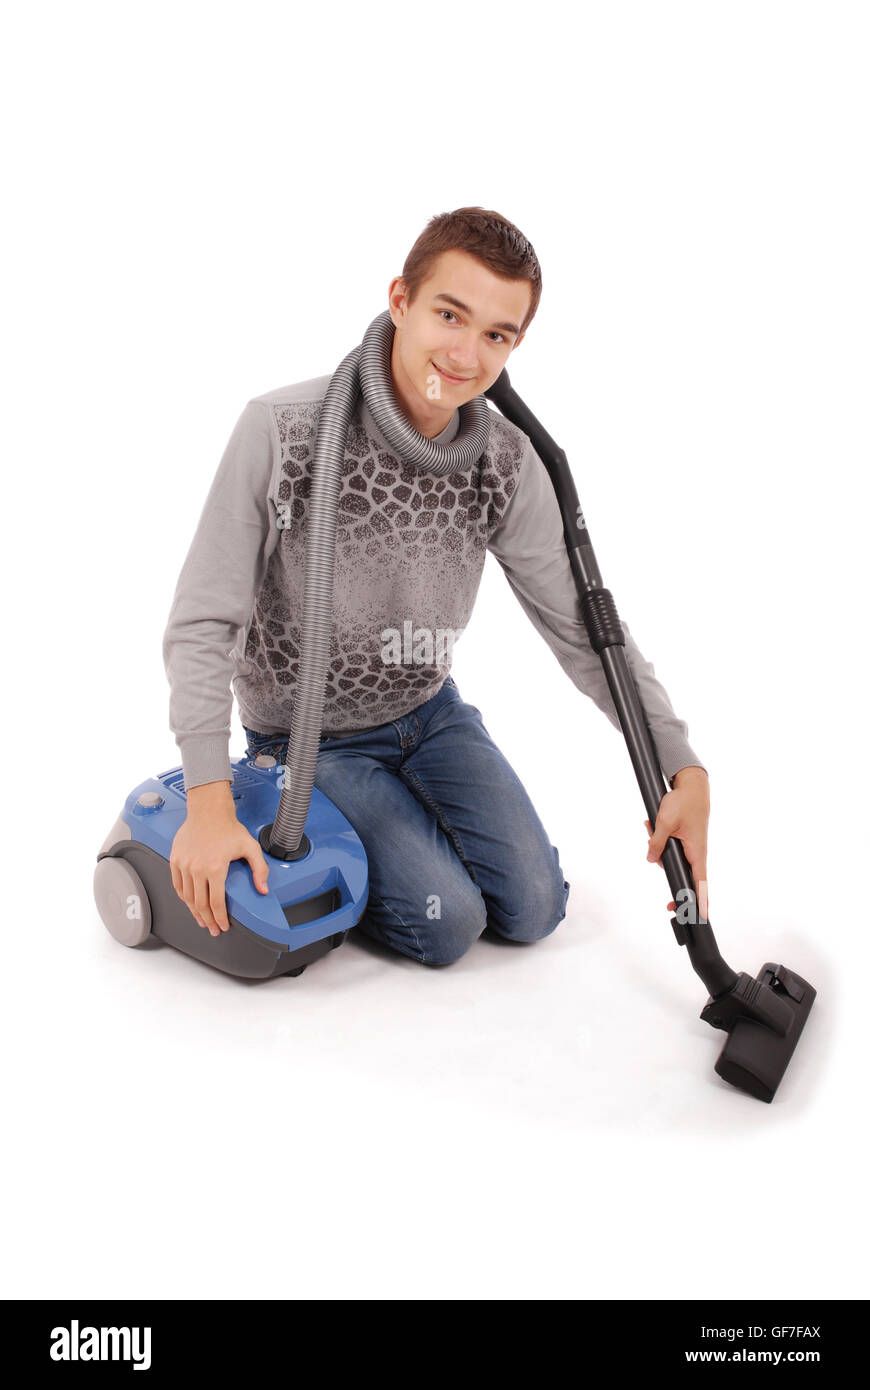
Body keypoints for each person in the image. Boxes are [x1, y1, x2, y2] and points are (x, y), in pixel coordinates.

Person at [163, 206, 710, 966]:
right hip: (307, 739)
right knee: (447, 923)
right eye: (450, 315)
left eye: (496, 334)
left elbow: (582, 632)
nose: (465, 353)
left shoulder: (507, 461)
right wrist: (207, 798)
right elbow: (203, 622)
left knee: (534, 908)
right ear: (400, 300)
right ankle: (359, 842)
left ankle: (410, 833)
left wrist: (678, 762)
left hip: (430, 716)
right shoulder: (283, 429)